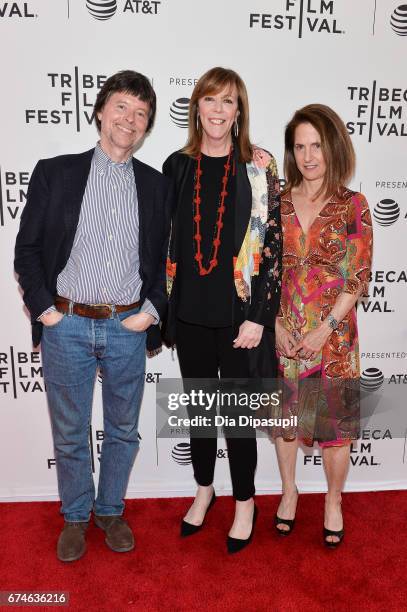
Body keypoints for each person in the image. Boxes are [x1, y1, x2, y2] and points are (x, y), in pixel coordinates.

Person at [14, 70, 173, 562]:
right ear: (101, 110)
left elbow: (174, 258)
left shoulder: (157, 185)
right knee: (69, 429)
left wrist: (151, 313)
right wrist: (46, 311)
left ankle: (110, 510)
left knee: (124, 429)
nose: (130, 119)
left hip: (128, 326)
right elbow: (29, 251)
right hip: (67, 324)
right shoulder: (54, 172)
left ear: (147, 127)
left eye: (141, 113)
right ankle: (77, 516)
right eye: (122, 107)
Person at [162, 67, 282, 553]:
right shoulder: (177, 165)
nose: (217, 110)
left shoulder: (259, 167)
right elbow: (162, 240)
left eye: (228, 101)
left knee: (236, 416)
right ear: (197, 107)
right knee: (200, 411)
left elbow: (273, 247)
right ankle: (205, 489)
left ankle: (246, 501)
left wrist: (258, 315)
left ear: (239, 111)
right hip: (188, 311)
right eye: (210, 100)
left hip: (238, 318)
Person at [274, 104, 373, 547]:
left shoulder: (353, 205)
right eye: (299, 147)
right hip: (286, 331)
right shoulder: (275, 203)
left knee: (335, 429)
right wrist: (275, 321)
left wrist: (327, 327)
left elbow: (358, 275)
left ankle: (333, 500)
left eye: (316, 145)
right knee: (287, 419)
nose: (308, 156)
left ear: (332, 147)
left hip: (333, 336)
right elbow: (261, 271)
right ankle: (289, 492)